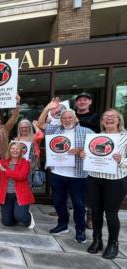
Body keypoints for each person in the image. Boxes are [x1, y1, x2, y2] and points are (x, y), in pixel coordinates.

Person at [37, 98, 94, 244]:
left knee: (79, 204)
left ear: (75, 118)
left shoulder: (87, 132)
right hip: (58, 173)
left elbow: (94, 151)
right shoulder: (55, 130)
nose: (67, 120)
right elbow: (40, 124)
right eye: (64, 118)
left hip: (78, 175)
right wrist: (47, 108)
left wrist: (82, 151)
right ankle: (62, 225)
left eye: (70, 117)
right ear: (60, 120)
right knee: (59, 201)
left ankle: (80, 229)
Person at [80, 109, 127, 259]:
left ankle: (113, 243)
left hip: (115, 180)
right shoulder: (94, 137)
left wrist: (122, 160)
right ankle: (97, 240)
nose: (109, 119)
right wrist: (84, 155)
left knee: (111, 214)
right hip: (94, 178)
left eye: (113, 116)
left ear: (119, 120)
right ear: (102, 122)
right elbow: (90, 157)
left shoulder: (125, 137)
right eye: (105, 117)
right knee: (96, 212)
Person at [0, 143, 35, 228]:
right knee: (7, 222)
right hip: (6, 195)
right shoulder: (2, 162)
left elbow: (21, 176)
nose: (14, 150)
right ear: (9, 150)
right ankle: (17, 213)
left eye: (17, 149)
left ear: (21, 151)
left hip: (20, 195)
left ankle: (28, 218)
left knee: (20, 216)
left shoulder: (25, 163)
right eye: (12, 148)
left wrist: (4, 170)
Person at [74, 92, 100, 230]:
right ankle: (67, 209)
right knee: (71, 185)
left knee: (88, 189)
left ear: (90, 102)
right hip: (72, 155)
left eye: (85, 100)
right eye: (79, 100)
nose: (82, 102)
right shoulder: (70, 115)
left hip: (90, 156)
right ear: (76, 103)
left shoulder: (96, 117)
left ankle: (89, 216)